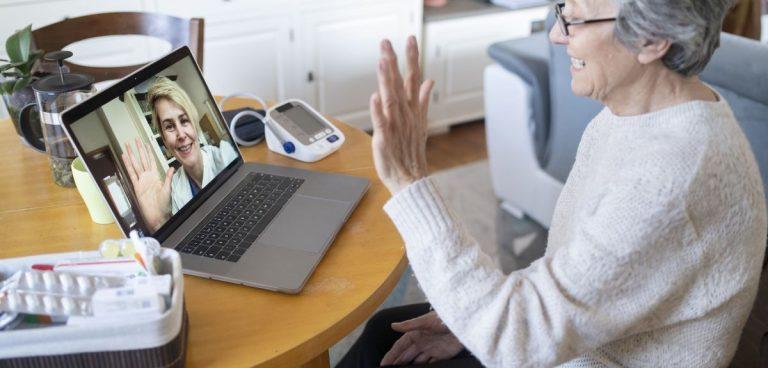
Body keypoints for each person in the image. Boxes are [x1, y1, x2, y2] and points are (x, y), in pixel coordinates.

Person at [338, 0, 768, 367]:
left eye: (576, 17)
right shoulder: (635, 114)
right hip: (577, 344)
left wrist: (410, 182)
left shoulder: (670, 180)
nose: (558, 36)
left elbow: (515, 341)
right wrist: (469, 322)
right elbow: (578, 273)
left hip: (581, 358)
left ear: (653, 39)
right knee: (385, 334)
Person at [121, 77, 237, 232]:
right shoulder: (175, 188)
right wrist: (158, 224)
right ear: (164, 139)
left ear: (194, 124)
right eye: (169, 126)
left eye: (184, 121)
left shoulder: (226, 156)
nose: (181, 134)